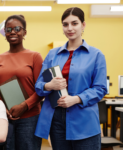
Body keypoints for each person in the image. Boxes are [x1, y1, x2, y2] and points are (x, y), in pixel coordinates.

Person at [34, 7, 107, 150]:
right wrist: (50, 85)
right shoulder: (52, 54)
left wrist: (76, 99)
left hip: (84, 120)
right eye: (65, 24)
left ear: (83, 25)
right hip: (56, 120)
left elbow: (101, 88)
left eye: (74, 23)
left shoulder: (96, 55)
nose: (70, 28)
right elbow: (39, 85)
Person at [0, 15, 43, 150]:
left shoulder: (35, 57)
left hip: (30, 118)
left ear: (24, 32)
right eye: (8, 29)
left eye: (17, 28)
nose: (12, 32)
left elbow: (41, 90)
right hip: (4, 118)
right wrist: (3, 110)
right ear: (5, 33)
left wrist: (24, 106)